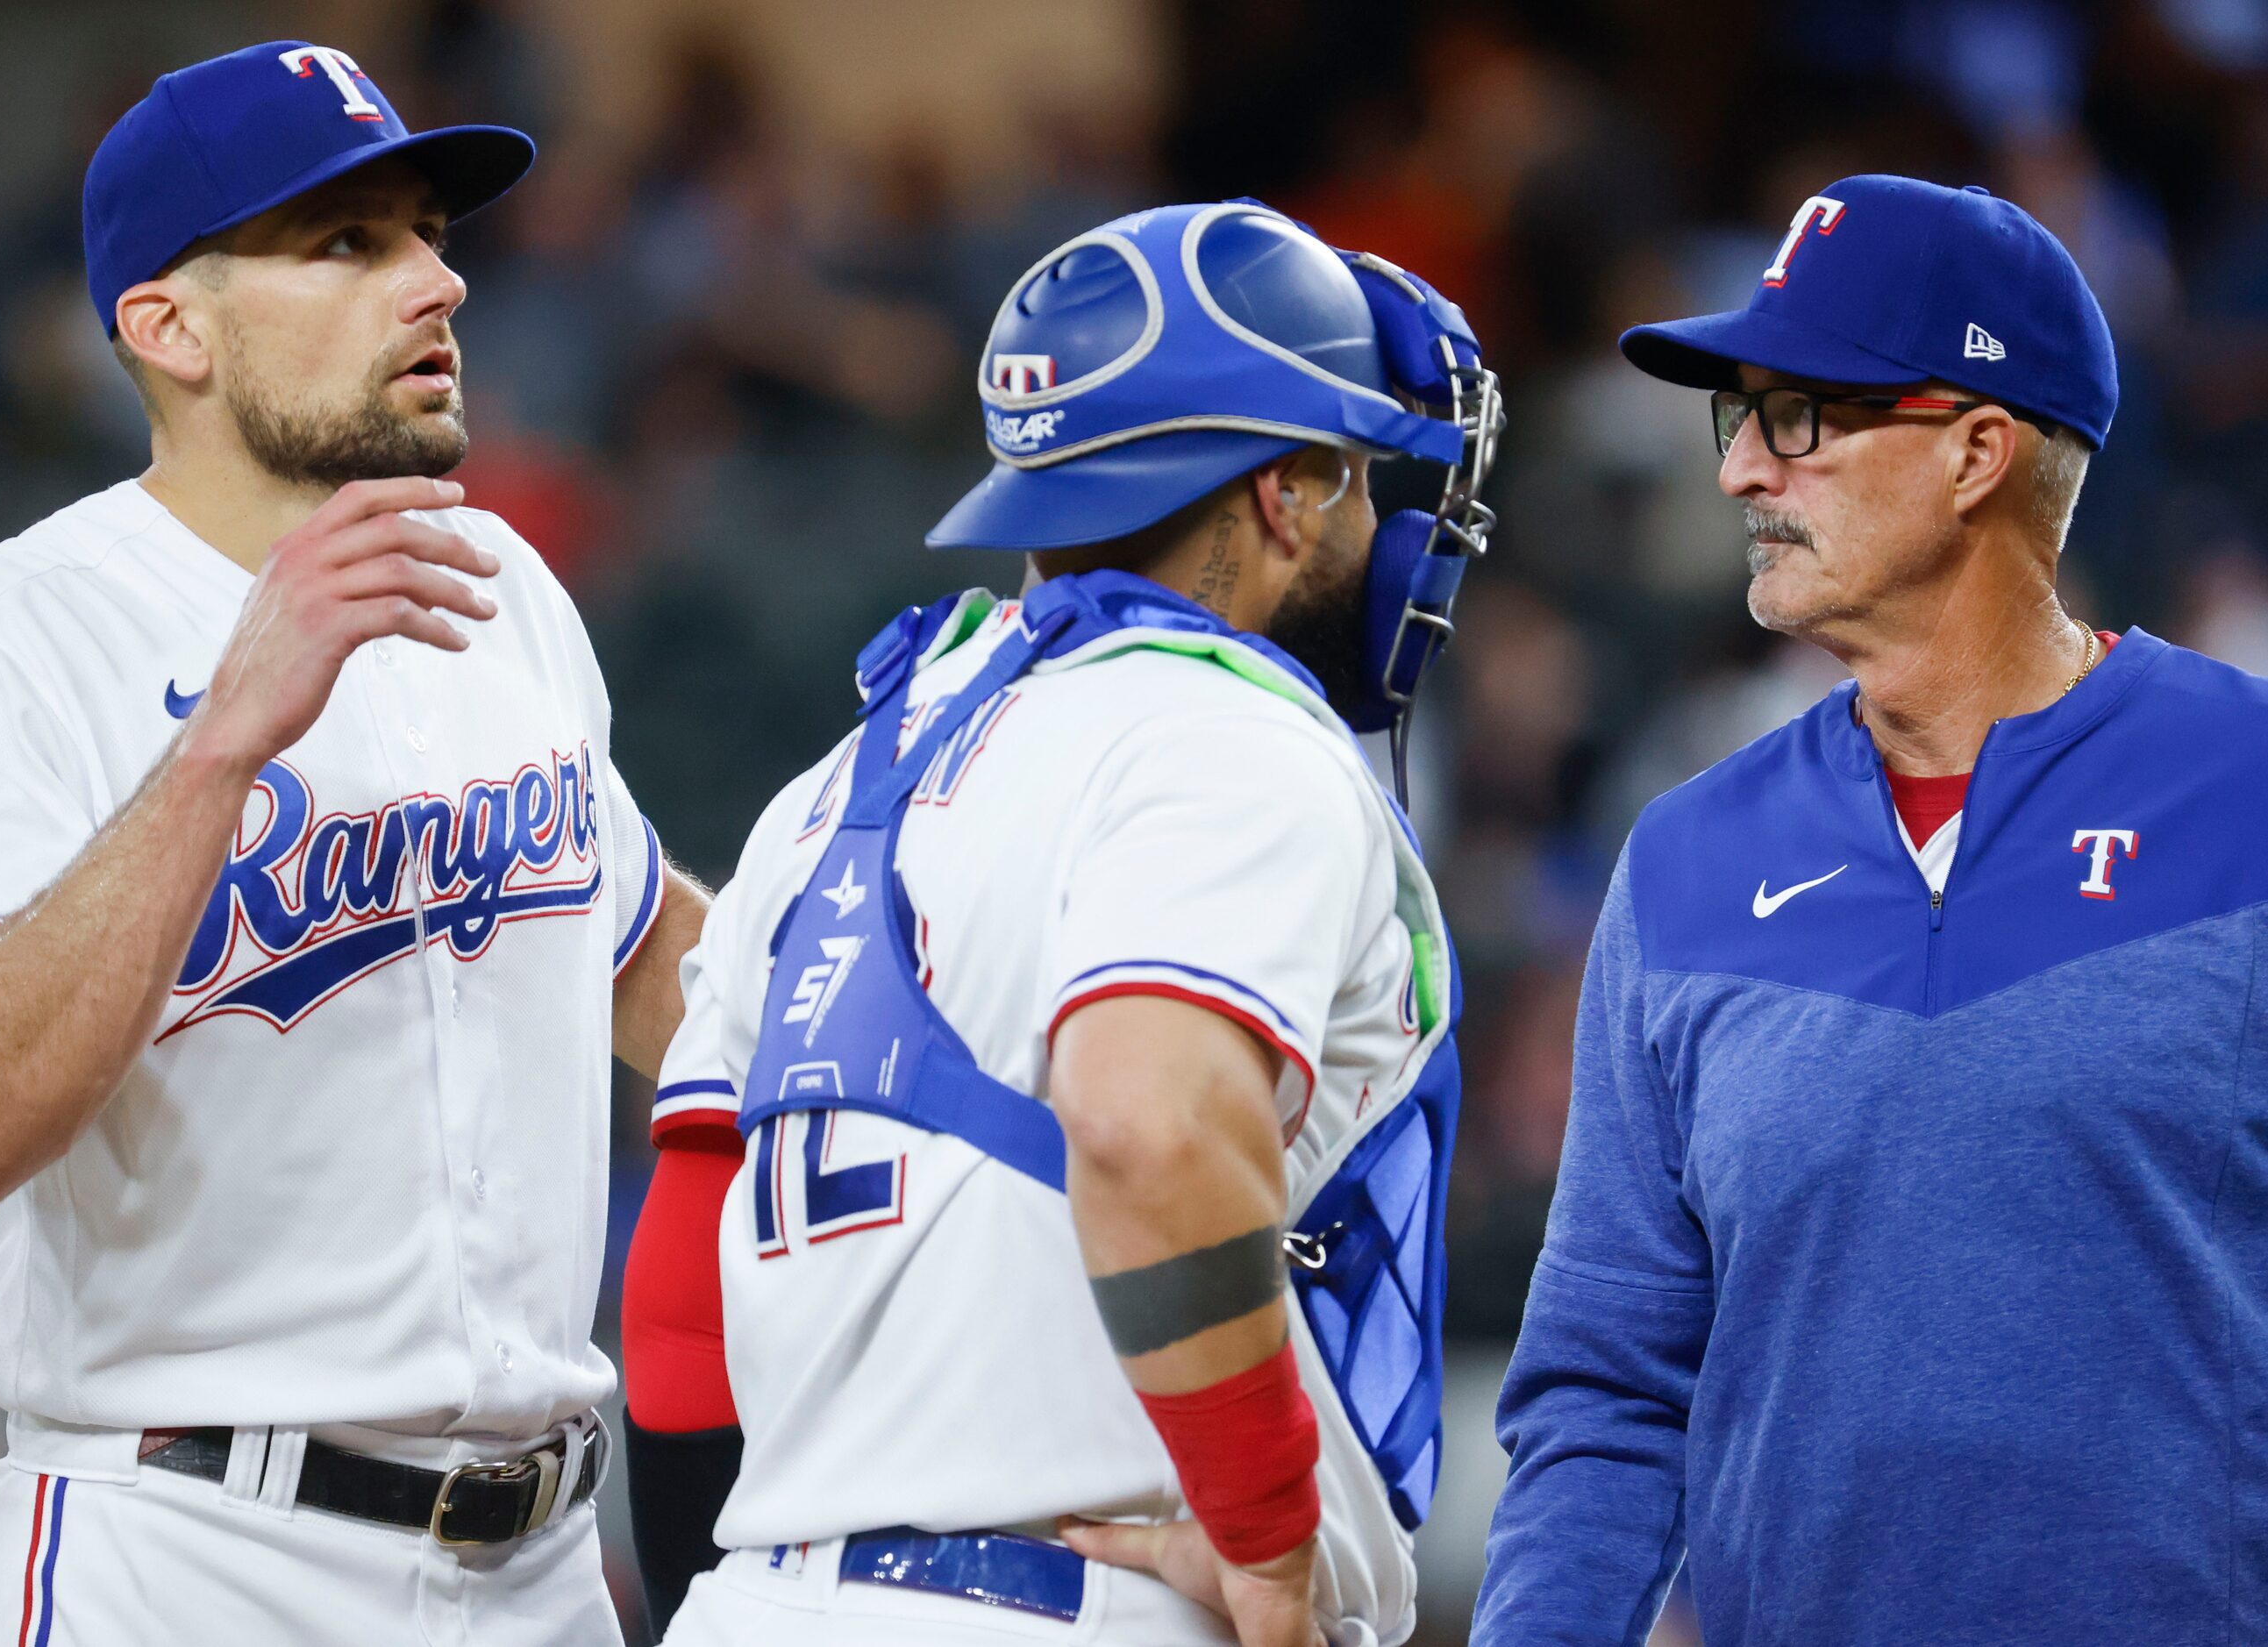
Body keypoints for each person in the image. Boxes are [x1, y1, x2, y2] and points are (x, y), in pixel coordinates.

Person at [0, 42, 708, 1644]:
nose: (435, 280)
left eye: (430, 230)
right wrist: (221, 742)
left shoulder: (498, 583)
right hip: (194, 1552)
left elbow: (648, 961)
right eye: (349, 243)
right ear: (171, 328)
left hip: (550, 1559)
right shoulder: (4, 638)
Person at [621, 201, 1504, 1647]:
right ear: (1284, 494)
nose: (1377, 520)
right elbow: (1148, 1122)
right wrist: (1271, 1549)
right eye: (1352, 478)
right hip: (1078, 1598)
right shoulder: (1227, 734)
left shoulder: (839, 782)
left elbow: (676, 1297)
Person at [1474, 175, 2268, 1646]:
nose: (1740, 476)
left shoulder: (2247, 788)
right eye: (1742, 420)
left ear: (1975, 450)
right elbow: (1604, 1386)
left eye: (1798, 417)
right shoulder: (1686, 860)